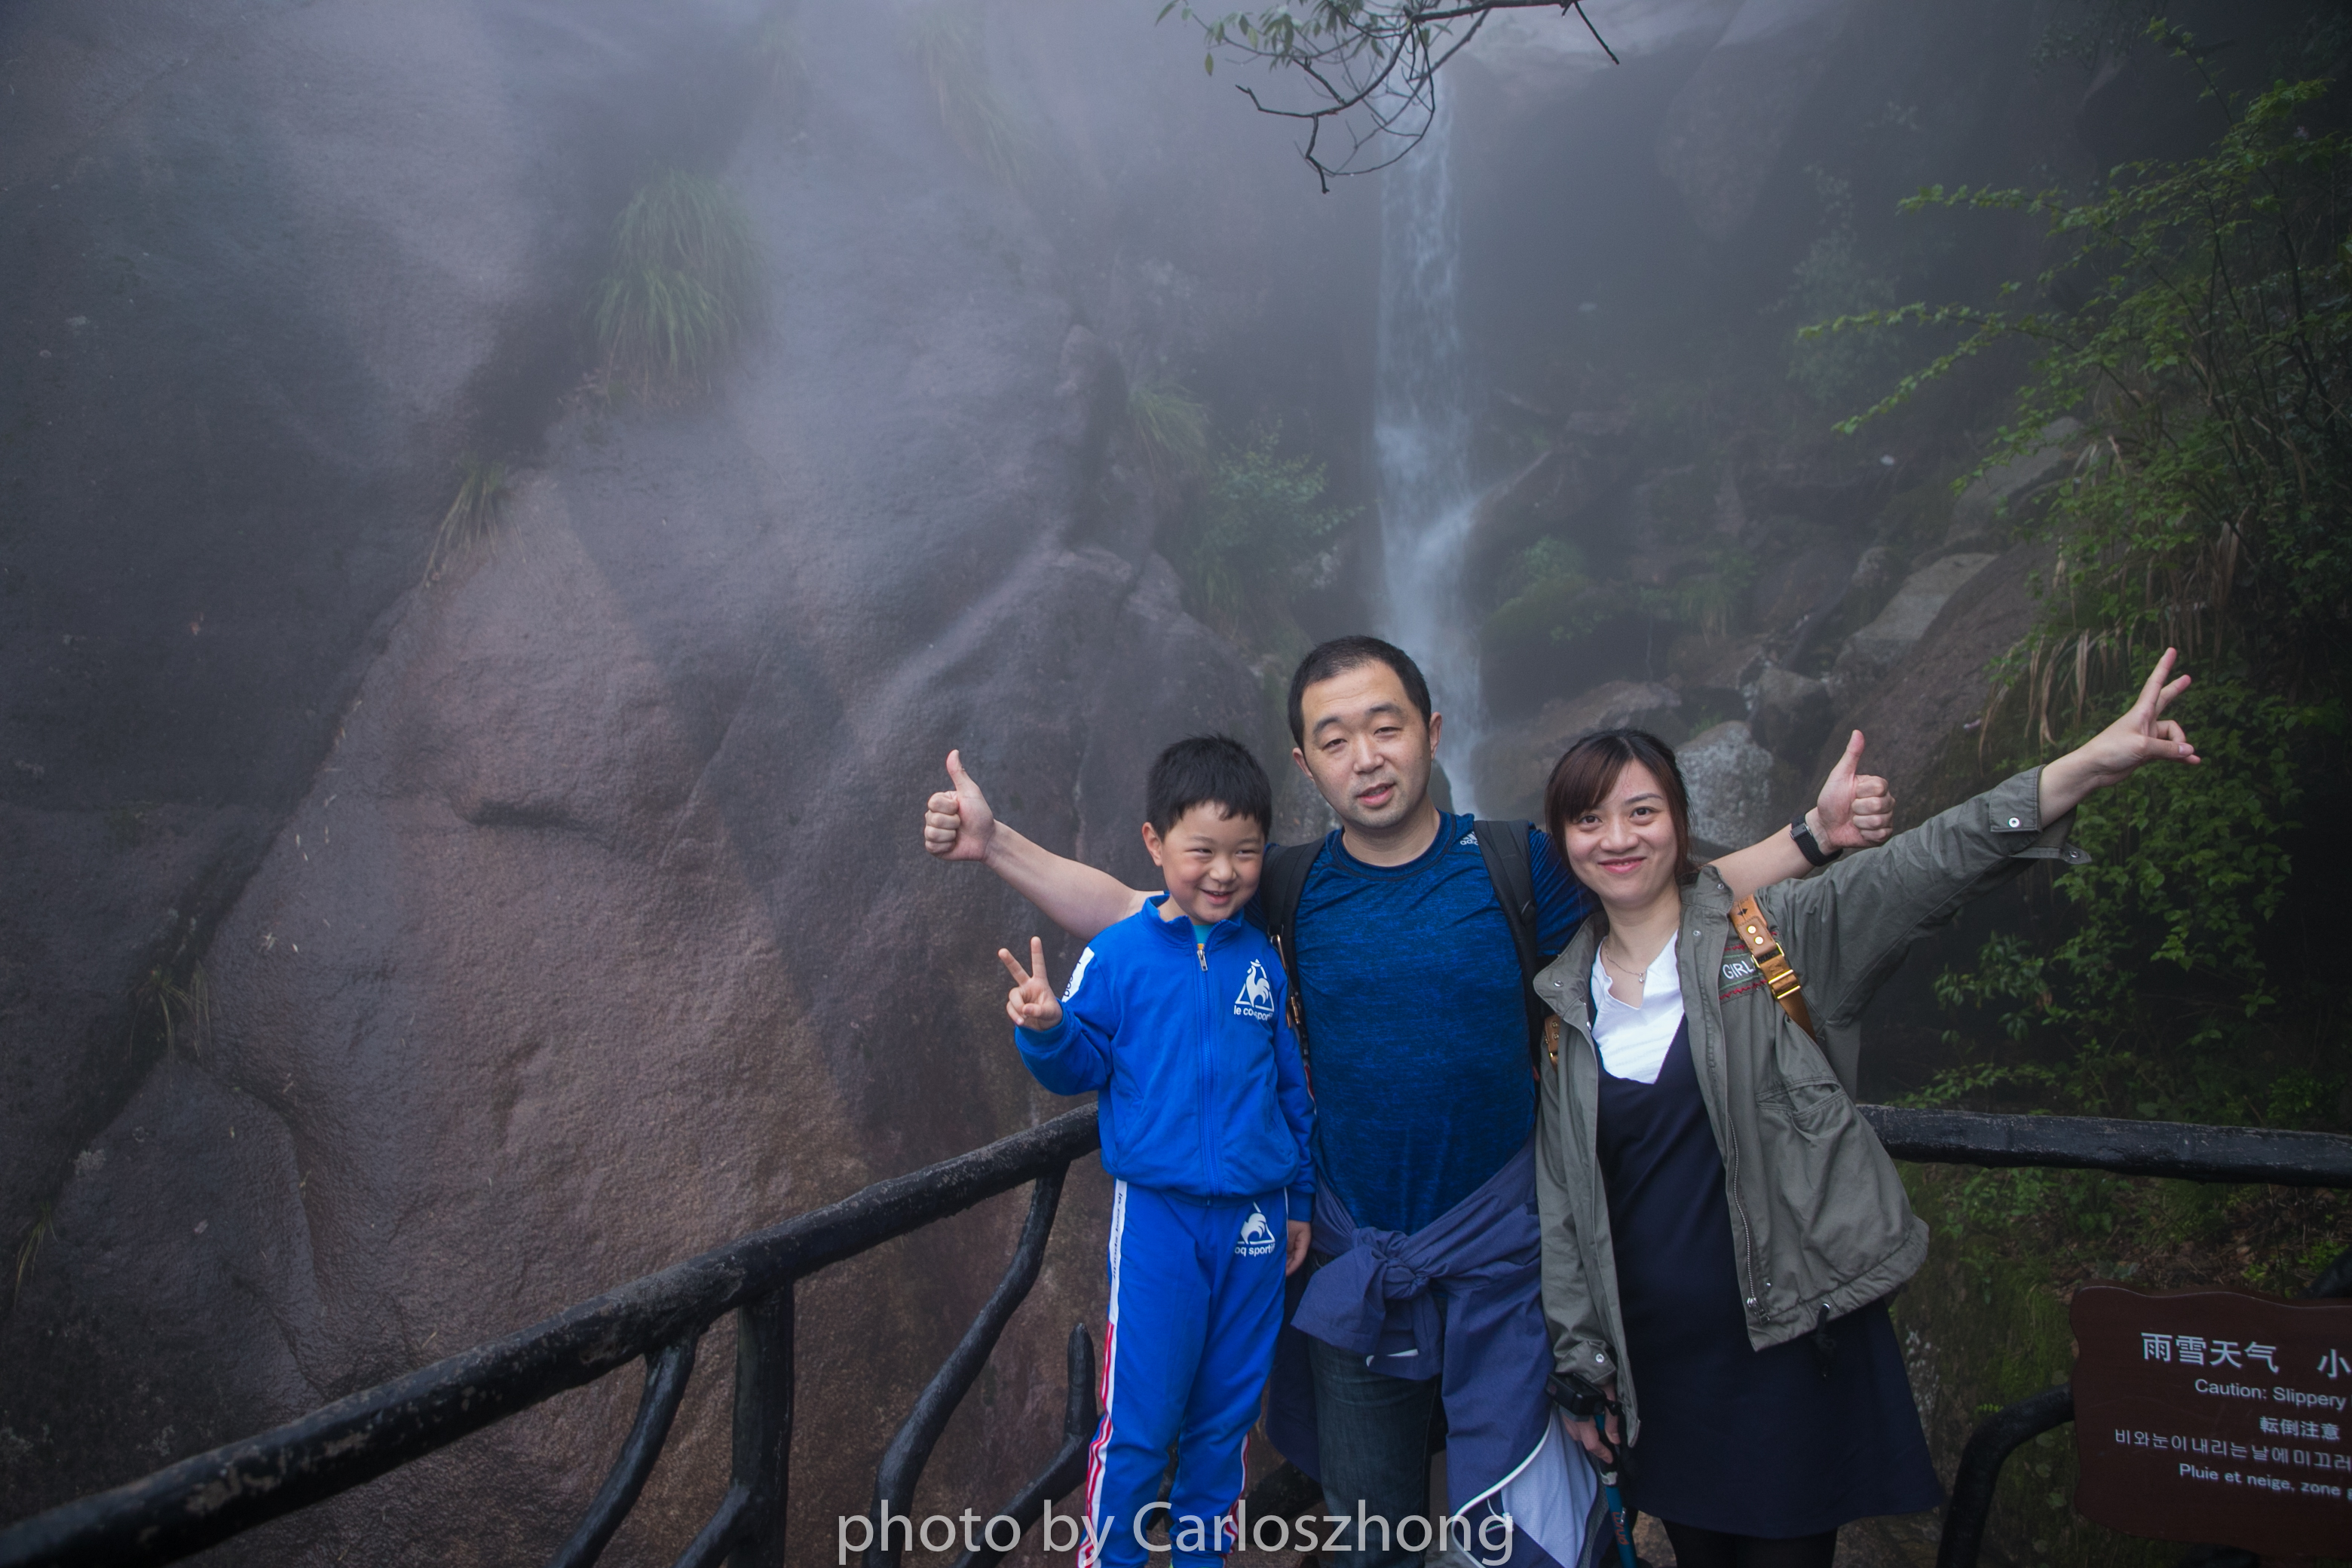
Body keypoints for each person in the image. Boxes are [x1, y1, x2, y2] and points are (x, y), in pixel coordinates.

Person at [926, 635, 1898, 1568]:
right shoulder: (1287, 885)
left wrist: (1814, 837)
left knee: (1524, 1532)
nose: (1367, 757)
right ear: (1307, 766)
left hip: (1508, 1264)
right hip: (1358, 1267)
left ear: (1433, 728)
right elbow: (1140, 907)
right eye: (1336, 739)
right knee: (1369, 1535)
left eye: (1385, 726)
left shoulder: (1512, 865)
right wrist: (995, 840)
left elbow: (1663, 891)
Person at [1534, 650, 2203, 1568]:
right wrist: (1581, 1370)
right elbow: (1567, 1207)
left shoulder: (1779, 938)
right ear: (1562, 840)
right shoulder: (1564, 1010)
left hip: (1790, 1355)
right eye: (1589, 818)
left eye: (1642, 811)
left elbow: (1932, 864)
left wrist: (2089, 761)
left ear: (1680, 824)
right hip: (1660, 1377)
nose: (1617, 837)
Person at [997, 735, 1315, 1568]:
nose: (1224, 871)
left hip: (1256, 1218)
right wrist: (1046, 1027)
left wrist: (1302, 1201)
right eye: (1202, 849)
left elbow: (1290, 1090)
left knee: (1225, 1421)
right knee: (1139, 1424)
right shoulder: (1119, 955)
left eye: (1246, 852)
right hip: (1160, 1223)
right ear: (1154, 844)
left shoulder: (1262, 960)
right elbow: (1083, 1064)